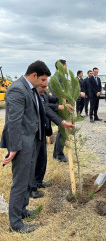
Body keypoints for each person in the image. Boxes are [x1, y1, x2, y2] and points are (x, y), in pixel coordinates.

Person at [0, 61, 51, 233]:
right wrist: (14, 148)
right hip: (21, 144)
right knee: (20, 183)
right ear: (34, 75)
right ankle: (15, 223)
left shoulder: (31, 89)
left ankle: (22, 210)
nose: (44, 83)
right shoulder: (17, 89)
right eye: (43, 79)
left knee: (27, 179)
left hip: (32, 141)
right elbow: (13, 122)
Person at [30, 84, 74, 198]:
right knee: (33, 161)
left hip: (43, 130)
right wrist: (59, 107)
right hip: (34, 132)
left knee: (42, 158)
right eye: (43, 86)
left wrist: (64, 95)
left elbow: (53, 100)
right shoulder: (33, 94)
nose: (45, 89)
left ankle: (39, 181)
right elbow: (45, 107)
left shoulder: (44, 93)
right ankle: (31, 188)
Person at [51, 59, 69, 162]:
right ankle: (59, 155)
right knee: (62, 131)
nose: (66, 67)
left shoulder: (58, 77)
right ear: (61, 66)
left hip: (61, 106)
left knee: (62, 131)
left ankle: (57, 153)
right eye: (66, 65)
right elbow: (58, 94)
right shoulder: (57, 78)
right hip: (61, 107)